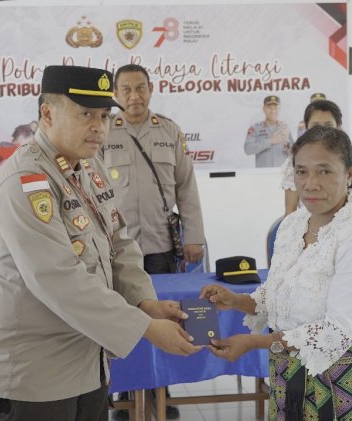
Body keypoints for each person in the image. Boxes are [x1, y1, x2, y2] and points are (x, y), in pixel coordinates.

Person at [0, 65, 201, 421]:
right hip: (37, 375)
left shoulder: (87, 166)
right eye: (85, 114)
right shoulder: (25, 181)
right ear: (47, 113)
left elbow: (119, 241)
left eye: (103, 115)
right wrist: (144, 327)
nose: (99, 126)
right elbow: (59, 279)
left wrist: (145, 302)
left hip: (88, 365)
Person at [201, 126, 352, 421]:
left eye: (324, 171)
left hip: (344, 384)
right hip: (288, 377)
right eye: (302, 172)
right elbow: (281, 293)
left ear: (350, 172)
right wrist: (237, 300)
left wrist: (253, 342)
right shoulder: (293, 225)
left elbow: (335, 332)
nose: (311, 184)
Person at [102, 63, 206, 420]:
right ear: (116, 94)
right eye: (127, 89)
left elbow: (187, 189)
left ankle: (164, 389)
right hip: (117, 253)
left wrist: (194, 237)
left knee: (165, 317)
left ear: (151, 89)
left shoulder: (169, 132)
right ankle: (122, 392)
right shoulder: (102, 132)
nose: (134, 96)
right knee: (121, 320)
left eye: (141, 88)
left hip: (161, 246)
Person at [281, 99, 352, 215]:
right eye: (315, 126)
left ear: (338, 127)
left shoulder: (350, 159)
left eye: (329, 125)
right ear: (306, 127)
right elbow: (290, 210)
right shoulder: (295, 163)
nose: (322, 131)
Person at [244, 95, 293, 168]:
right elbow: (248, 149)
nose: (273, 111)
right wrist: (270, 141)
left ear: (279, 109)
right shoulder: (255, 128)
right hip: (263, 174)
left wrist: (287, 144)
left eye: (275, 108)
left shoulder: (285, 128)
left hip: (282, 173)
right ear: (264, 109)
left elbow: (294, 153)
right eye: (269, 108)